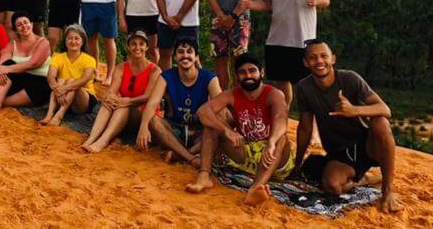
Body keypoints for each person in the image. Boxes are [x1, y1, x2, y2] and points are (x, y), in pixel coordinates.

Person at [293, 39, 401, 213]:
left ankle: (387, 189)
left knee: (381, 121)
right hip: (340, 152)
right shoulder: (303, 88)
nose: (319, 61)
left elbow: (385, 109)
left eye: (323, 56)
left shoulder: (350, 79)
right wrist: (297, 164)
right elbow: (305, 127)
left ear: (333, 59)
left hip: (367, 145)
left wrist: (354, 110)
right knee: (332, 186)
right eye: (313, 58)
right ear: (306, 63)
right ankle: (364, 179)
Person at [186, 54, 292, 207]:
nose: (248, 75)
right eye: (242, 72)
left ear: (261, 73)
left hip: (275, 156)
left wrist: (272, 142)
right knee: (212, 125)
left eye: (252, 71)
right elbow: (203, 112)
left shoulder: (274, 94)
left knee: (282, 138)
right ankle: (204, 176)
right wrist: (226, 130)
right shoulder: (231, 94)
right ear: (237, 76)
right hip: (246, 153)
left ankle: (255, 188)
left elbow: (281, 118)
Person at [239, 0, 329, 106]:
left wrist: (317, 0)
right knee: (281, 84)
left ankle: (313, 126)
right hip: (277, 39)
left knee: (307, 85)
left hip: (301, 40)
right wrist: (248, 4)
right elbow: (266, 3)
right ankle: (282, 120)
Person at [136, 38, 222, 167]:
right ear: (175, 57)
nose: (185, 55)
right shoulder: (167, 76)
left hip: (200, 131)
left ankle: (182, 154)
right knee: (153, 120)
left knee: (221, 124)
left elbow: (220, 107)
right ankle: (190, 158)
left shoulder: (209, 77)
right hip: (174, 130)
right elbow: (152, 103)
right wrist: (143, 127)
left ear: (196, 57)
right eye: (180, 52)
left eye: (189, 52)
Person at [82, 30, 162, 153]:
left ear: (147, 47)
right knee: (109, 103)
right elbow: (112, 90)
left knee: (123, 105)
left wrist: (127, 101)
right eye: (134, 44)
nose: (137, 47)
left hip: (143, 115)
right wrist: (109, 97)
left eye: (141, 44)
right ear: (128, 47)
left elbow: (148, 97)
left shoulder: (155, 70)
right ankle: (91, 139)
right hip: (122, 111)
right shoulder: (121, 67)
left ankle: (102, 141)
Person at [0, 11, 52, 114]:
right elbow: (1, 63)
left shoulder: (43, 42)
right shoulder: (12, 44)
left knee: (41, 87)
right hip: (19, 80)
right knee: (7, 63)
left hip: (40, 83)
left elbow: (33, 64)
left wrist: (6, 69)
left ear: (31, 24)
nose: (24, 26)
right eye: (19, 25)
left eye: (26, 22)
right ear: (16, 30)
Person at [41, 24, 98, 126]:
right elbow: (50, 76)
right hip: (62, 97)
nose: (73, 41)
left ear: (82, 41)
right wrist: (58, 89)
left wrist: (65, 88)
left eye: (77, 38)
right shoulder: (57, 57)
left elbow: (84, 80)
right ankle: (49, 114)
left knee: (70, 81)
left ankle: (59, 115)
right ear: (65, 41)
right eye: (70, 38)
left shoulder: (90, 60)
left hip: (82, 100)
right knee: (59, 82)